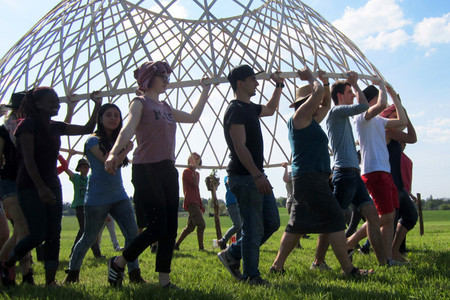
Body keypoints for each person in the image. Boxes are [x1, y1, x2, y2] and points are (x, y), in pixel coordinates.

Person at [104, 61, 212, 288]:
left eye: (167, 76)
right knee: (157, 225)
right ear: (148, 78)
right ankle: (119, 262)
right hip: (146, 169)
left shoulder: (166, 107)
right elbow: (129, 126)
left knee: (170, 227)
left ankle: (164, 280)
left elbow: (193, 117)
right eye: (162, 75)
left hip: (167, 169)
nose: (166, 79)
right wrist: (115, 152)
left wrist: (204, 90)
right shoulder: (139, 102)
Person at [269, 67, 370, 276]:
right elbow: (317, 97)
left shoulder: (311, 120)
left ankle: (277, 266)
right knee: (334, 218)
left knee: (296, 225)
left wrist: (323, 82)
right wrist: (313, 80)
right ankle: (349, 270)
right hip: (310, 177)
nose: (318, 105)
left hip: (310, 177)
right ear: (304, 103)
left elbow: (323, 102)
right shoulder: (300, 116)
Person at [0, 87, 101, 286]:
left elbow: (87, 128)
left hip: (52, 184)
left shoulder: (55, 126)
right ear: (37, 104)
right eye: (51, 101)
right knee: (36, 233)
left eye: (58, 100)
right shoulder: (27, 126)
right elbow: (28, 160)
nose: (57, 104)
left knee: (54, 233)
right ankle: (8, 262)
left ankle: (50, 280)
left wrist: (96, 105)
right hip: (30, 185)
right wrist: (40, 187)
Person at [64, 103, 143, 284]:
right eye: (109, 115)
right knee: (89, 238)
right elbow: (111, 163)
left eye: (117, 115)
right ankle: (72, 273)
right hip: (97, 197)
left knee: (132, 235)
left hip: (119, 195)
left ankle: (135, 274)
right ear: (100, 118)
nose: (113, 118)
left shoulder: (118, 141)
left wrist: (124, 147)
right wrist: (127, 150)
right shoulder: (92, 141)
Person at [217, 64, 282, 286]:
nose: (256, 83)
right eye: (252, 79)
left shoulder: (250, 108)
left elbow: (271, 109)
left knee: (271, 222)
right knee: (253, 228)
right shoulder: (235, 110)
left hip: (255, 175)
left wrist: (279, 85)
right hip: (245, 177)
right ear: (240, 83)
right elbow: (239, 146)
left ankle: (232, 253)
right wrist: (256, 175)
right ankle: (251, 276)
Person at [324, 72, 388, 266]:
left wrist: (354, 85)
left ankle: (384, 262)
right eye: (350, 91)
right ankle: (319, 260)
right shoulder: (336, 112)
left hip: (353, 174)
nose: (353, 94)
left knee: (373, 217)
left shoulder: (342, 117)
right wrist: (356, 83)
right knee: (334, 222)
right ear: (340, 96)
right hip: (344, 174)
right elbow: (363, 106)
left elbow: (362, 107)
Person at [347, 82, 407, 262]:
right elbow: (381, 105)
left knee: (390, 218)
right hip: (373, 171)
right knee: (386, 216)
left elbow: (402, 121)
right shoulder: (361, 117)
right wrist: (383, 88)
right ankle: (349, 242)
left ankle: (388, 258)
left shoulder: (380, 121)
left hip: (384, 171)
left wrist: (395, 97)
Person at [0, 92, 33, 285]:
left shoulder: (7, 129)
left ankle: (22, 273)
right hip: (12, 182)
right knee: (23, 230)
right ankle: (21, 273)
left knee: (21, 231)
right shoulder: (8, 130)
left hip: (21, 181)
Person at [381, 104, 418, 262]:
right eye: (397, 115)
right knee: (388, 221)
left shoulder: (395, 134)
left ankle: (394, 251)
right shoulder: (388, 131)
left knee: (410, 216)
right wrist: (405, 118)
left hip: (399, 186)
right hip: (390, 185)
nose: (400, 119)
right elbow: (412, 138)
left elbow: (412, 138)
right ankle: (388, 255)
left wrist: (406, 117)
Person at [64, 157, 104, 258]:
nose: (86, 169)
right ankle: (96, 254)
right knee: (86, 230)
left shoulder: (90, 179)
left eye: (87, 167)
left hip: (89, 206)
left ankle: (74, 253)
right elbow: (65, 168)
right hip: (80, 207)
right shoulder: (76, 178)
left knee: (85, 230)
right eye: (83, 167)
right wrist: (69, 155)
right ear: (79, 168)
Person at [174, 152, 206, 251]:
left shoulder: (197, 174)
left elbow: (197, 189)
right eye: (193, 159)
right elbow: (194, 183)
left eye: (197, 159)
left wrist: (201, 204)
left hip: (196, 201)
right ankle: (201, 248)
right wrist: (192, 170)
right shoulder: (187, 172)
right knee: (201, 224)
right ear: (189, 160)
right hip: (191, 201)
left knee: (190, 227)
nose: (195, 161)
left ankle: (176, 245)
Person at [217, 175, 242, 250]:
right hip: (232, 204)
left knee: (240, 227)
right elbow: (229, 182)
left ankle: (237, 246)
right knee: (237, 225)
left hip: (239, 203)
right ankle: (223, 241)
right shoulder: (227, 177)